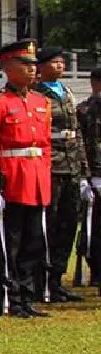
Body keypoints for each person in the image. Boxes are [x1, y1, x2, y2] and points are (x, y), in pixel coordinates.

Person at [0, 40, 52, 318]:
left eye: (33, 65)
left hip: (36, 179)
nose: (32, 70)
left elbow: (45, 146)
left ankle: (27, 297)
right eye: (25, 65)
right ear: (8, 68)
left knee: (34, 242)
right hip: (12, 179)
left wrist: (45, 176)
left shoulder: (41, 102)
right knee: (11, 243)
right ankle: (10, 297)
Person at [32, 47, 87, 303]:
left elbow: (77, 133)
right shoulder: (35, 94)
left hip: (72, 167)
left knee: (68, 224)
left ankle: (57, 280)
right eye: (54, 62)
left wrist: (84, 169)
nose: (60, 66)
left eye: (62, 62)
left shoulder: (66, 92)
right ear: (40, 67)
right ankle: (39, 280)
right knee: (48, 224)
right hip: (50, 166)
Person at [78, 67, 101, 286]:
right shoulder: (85, 110)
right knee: (94, 226)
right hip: (96, 175)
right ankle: (96, 271)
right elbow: (84, 144)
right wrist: (88, 175)